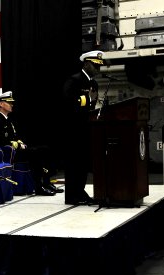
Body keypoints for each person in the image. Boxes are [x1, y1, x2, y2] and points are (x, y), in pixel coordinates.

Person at [0, 91, 63, 196]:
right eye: (9, 103)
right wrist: (16, 144)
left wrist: (19, 141)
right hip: (7, 153)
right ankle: (38, 187)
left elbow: (14, 136)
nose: (12, 105)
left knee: (45, 149)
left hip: (15, 150)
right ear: (1, 104)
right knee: (35, 153)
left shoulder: (8, 120)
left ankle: (46, 182)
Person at [61, 50, 104, 205]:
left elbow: (92, 106)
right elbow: (67, 101)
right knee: (73, 163)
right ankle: (72, 195)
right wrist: (87, 98)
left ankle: (79, 191)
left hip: (87, 127)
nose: (98, 69)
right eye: (95, 65)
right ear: (86, 64)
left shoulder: (93, 83)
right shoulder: (74, 80)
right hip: (73, 129)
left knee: (83, 163)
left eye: (99, 66)